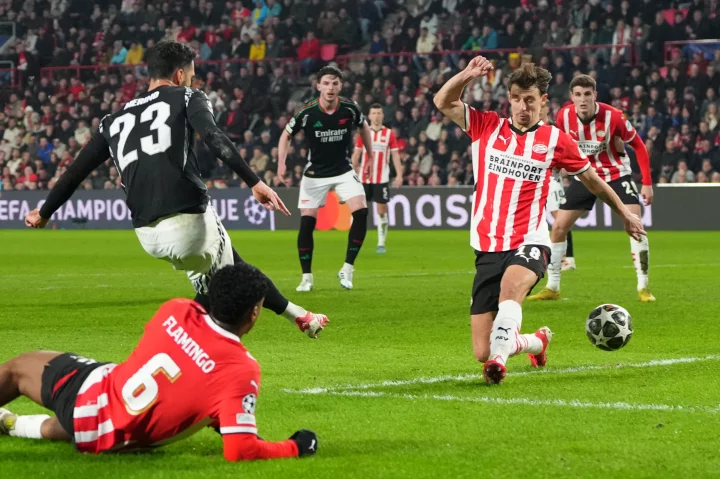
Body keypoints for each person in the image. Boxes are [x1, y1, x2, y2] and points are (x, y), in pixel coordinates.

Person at [24, 40, 328, 338]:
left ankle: (299, 316)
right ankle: (177, 347)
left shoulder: (112, 121)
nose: (193, 81)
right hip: (189, 224)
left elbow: (76, 171)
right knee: (231, 292)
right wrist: (255, 182)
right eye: (192, 75)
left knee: (229, 270)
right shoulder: (186, 96)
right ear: (180, 75)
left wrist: (45, 211)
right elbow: (214, 137)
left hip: (147, 235)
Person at [433, 58, 645, 384]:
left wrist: (625, 213)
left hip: (530, 240)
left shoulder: (555, 140)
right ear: (509, 99)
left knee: (510, 291)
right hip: (487, 245)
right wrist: (468, 75)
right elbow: (443, 101)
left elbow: (591, 180)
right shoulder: (487, 126)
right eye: (516, 99)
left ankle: (500, 364)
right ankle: (536, 341)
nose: (522, 106)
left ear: (543, 101)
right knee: (481, 349)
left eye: (530, 100)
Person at [0, 263, 319, 460]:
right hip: (116, 439)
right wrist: (297, 445)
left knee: (19, 367)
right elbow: (240, 448)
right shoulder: (240, 370)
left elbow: (177, 357)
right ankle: (12, 424)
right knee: (94, 420)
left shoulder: (177, 310)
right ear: (253, 314)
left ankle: (16, 420)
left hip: (93, 397)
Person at [529, 74, 655, 303]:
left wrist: (646, 182)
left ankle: (643, 286)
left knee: (635, 225)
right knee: (558, 227)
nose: (583, 99)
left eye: (587, 94)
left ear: (595, 95)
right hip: (585, 175)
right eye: (578, 95)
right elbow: (563, 146)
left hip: (616, 174)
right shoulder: (564, 115)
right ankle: (553, 287)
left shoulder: (614, 116)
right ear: (572, 97)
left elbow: (637, 144)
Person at [277, 65, 374, 292]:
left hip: (343, 170)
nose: (331, 87)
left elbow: (364, 126)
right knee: (307, 223)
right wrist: (281, 162)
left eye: (335, 83)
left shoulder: (349, 108)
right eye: (327, 83)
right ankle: (307, 277)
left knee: (361, 211)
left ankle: (347, 269)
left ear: (340, 86)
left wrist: (370, 155)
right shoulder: (307, 112)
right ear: (318, 86)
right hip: (315, 174)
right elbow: (285, 135)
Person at [351, 103, 403, 253]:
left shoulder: (389, 134)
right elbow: (357, 153)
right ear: (369, 116)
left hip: (381, 179)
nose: (376, 116)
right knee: (359, 211)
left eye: (379, 113)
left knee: (381, 211)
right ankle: (356, 241)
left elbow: (395, 155)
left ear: (382, 116)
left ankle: (381, 243)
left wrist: (399, 175)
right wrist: (350, 169)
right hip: (364, 179)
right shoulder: (363, 132)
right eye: (374, 113)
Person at [540, 103, 577, 270]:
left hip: (552, 183)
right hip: (538, 182)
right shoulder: (534, 129)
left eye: (541, 107)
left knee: (560, 221)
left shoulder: (553, 129)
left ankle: (568, 259)